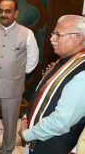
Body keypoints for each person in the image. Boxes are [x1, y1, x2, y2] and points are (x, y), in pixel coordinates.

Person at [19, 14, 85, 154]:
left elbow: (61, 121)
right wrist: (26, 117)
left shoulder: (82, 73)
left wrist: (27, 134)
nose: (52, 39)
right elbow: (41, 95)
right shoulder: (65, 60)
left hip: (53, 145)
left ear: (78, 38)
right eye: (53, 33)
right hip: (37, 139)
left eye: (58, 34)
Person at [0, 0, 39, 154]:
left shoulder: (27, 33)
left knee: (10, 122)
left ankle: (6, 150)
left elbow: (33, 60)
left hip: (12, 88)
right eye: (1, 11)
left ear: (16, 13)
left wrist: (16, 74)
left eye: (8, 11)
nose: (3, 14)